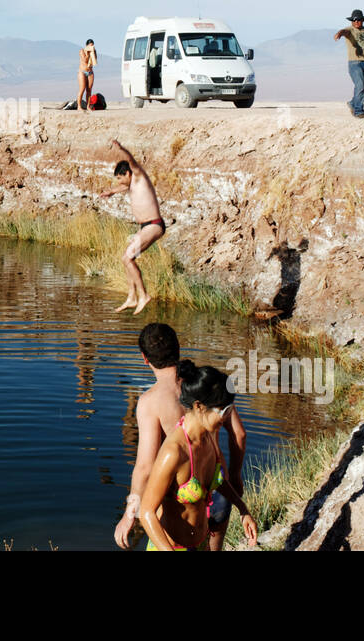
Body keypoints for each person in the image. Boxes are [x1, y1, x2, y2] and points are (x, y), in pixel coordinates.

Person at [113, 324, 248, 551]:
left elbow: (145, 467)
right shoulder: (207, 385)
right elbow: (239, 434)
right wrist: (234, 476)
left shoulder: (151, 402)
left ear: (145, 359)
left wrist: (130, 513)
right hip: (217, 488)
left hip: (183, 502)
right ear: (178, 347)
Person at [139, 361, 258, 551]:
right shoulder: (174, 452)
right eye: (224, 411)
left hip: (200, 543)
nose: (227, 417)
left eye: (230, 409)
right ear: (199, 406)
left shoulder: (208, 438)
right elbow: (146, 512)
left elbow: (216, 481)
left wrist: (242, 508)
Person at [101, 140, 164, 314]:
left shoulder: (138, 174)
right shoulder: (132, 183)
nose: (121, 182)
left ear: (128, 173)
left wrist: (121, 149)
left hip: (153, 225)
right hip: (146, 226)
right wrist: (111, 192)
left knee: (127, 258)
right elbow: (122, 187)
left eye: (121, 178)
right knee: (127, 259)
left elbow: (130, 160)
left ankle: (143, 295)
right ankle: (132, 297)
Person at [334, 9, 364, 119]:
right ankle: (359, 111)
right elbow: (344, 32)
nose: (356, 22)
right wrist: (339, 33)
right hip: (355, 63)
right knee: (360, 85)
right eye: (354, 20)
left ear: (362, 20)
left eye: (358, 20)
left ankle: (353, 103)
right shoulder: (350, 30)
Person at [77, 39, 97, 111]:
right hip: (82, 72)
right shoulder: (82, 51)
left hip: (90, 72)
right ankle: (79, 106)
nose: (92, 47)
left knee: (89, 90)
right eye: (90, 45)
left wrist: (93, 52)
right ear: (87, 45)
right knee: (82, 89)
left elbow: (95, 61)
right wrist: (88, 52)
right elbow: (85, 60)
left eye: (92, 45)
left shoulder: (94, 51)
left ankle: (88, 106)